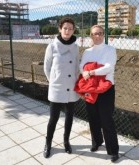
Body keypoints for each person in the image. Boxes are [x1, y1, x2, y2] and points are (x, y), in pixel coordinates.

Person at [79, 25, 119, 162]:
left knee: (106, 120)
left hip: (106, 89)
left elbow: (109, 67)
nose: (98, 36)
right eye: (95, 34)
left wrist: (91, 72)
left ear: (103, 34)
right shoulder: (87, 52)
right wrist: (85, 72)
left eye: (100, 33)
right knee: (93, 117)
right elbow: (81, 66)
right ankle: (96, 142)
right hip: (91, 88)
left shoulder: (110, 50)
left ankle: (113, 150)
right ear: (91, 35)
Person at [43, 17, 79, 158]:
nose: (67, 31)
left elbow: (76, 66)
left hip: (71, 88)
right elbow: (47, 68)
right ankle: (48, 143)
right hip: (57, 88)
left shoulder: (75, 47)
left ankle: (66, 141)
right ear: (60, 29)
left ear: (73, 30)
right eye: (65, 28)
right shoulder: (52, 46)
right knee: (53, 118)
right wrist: (54, 81)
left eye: (70, 29)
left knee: (69, 117)